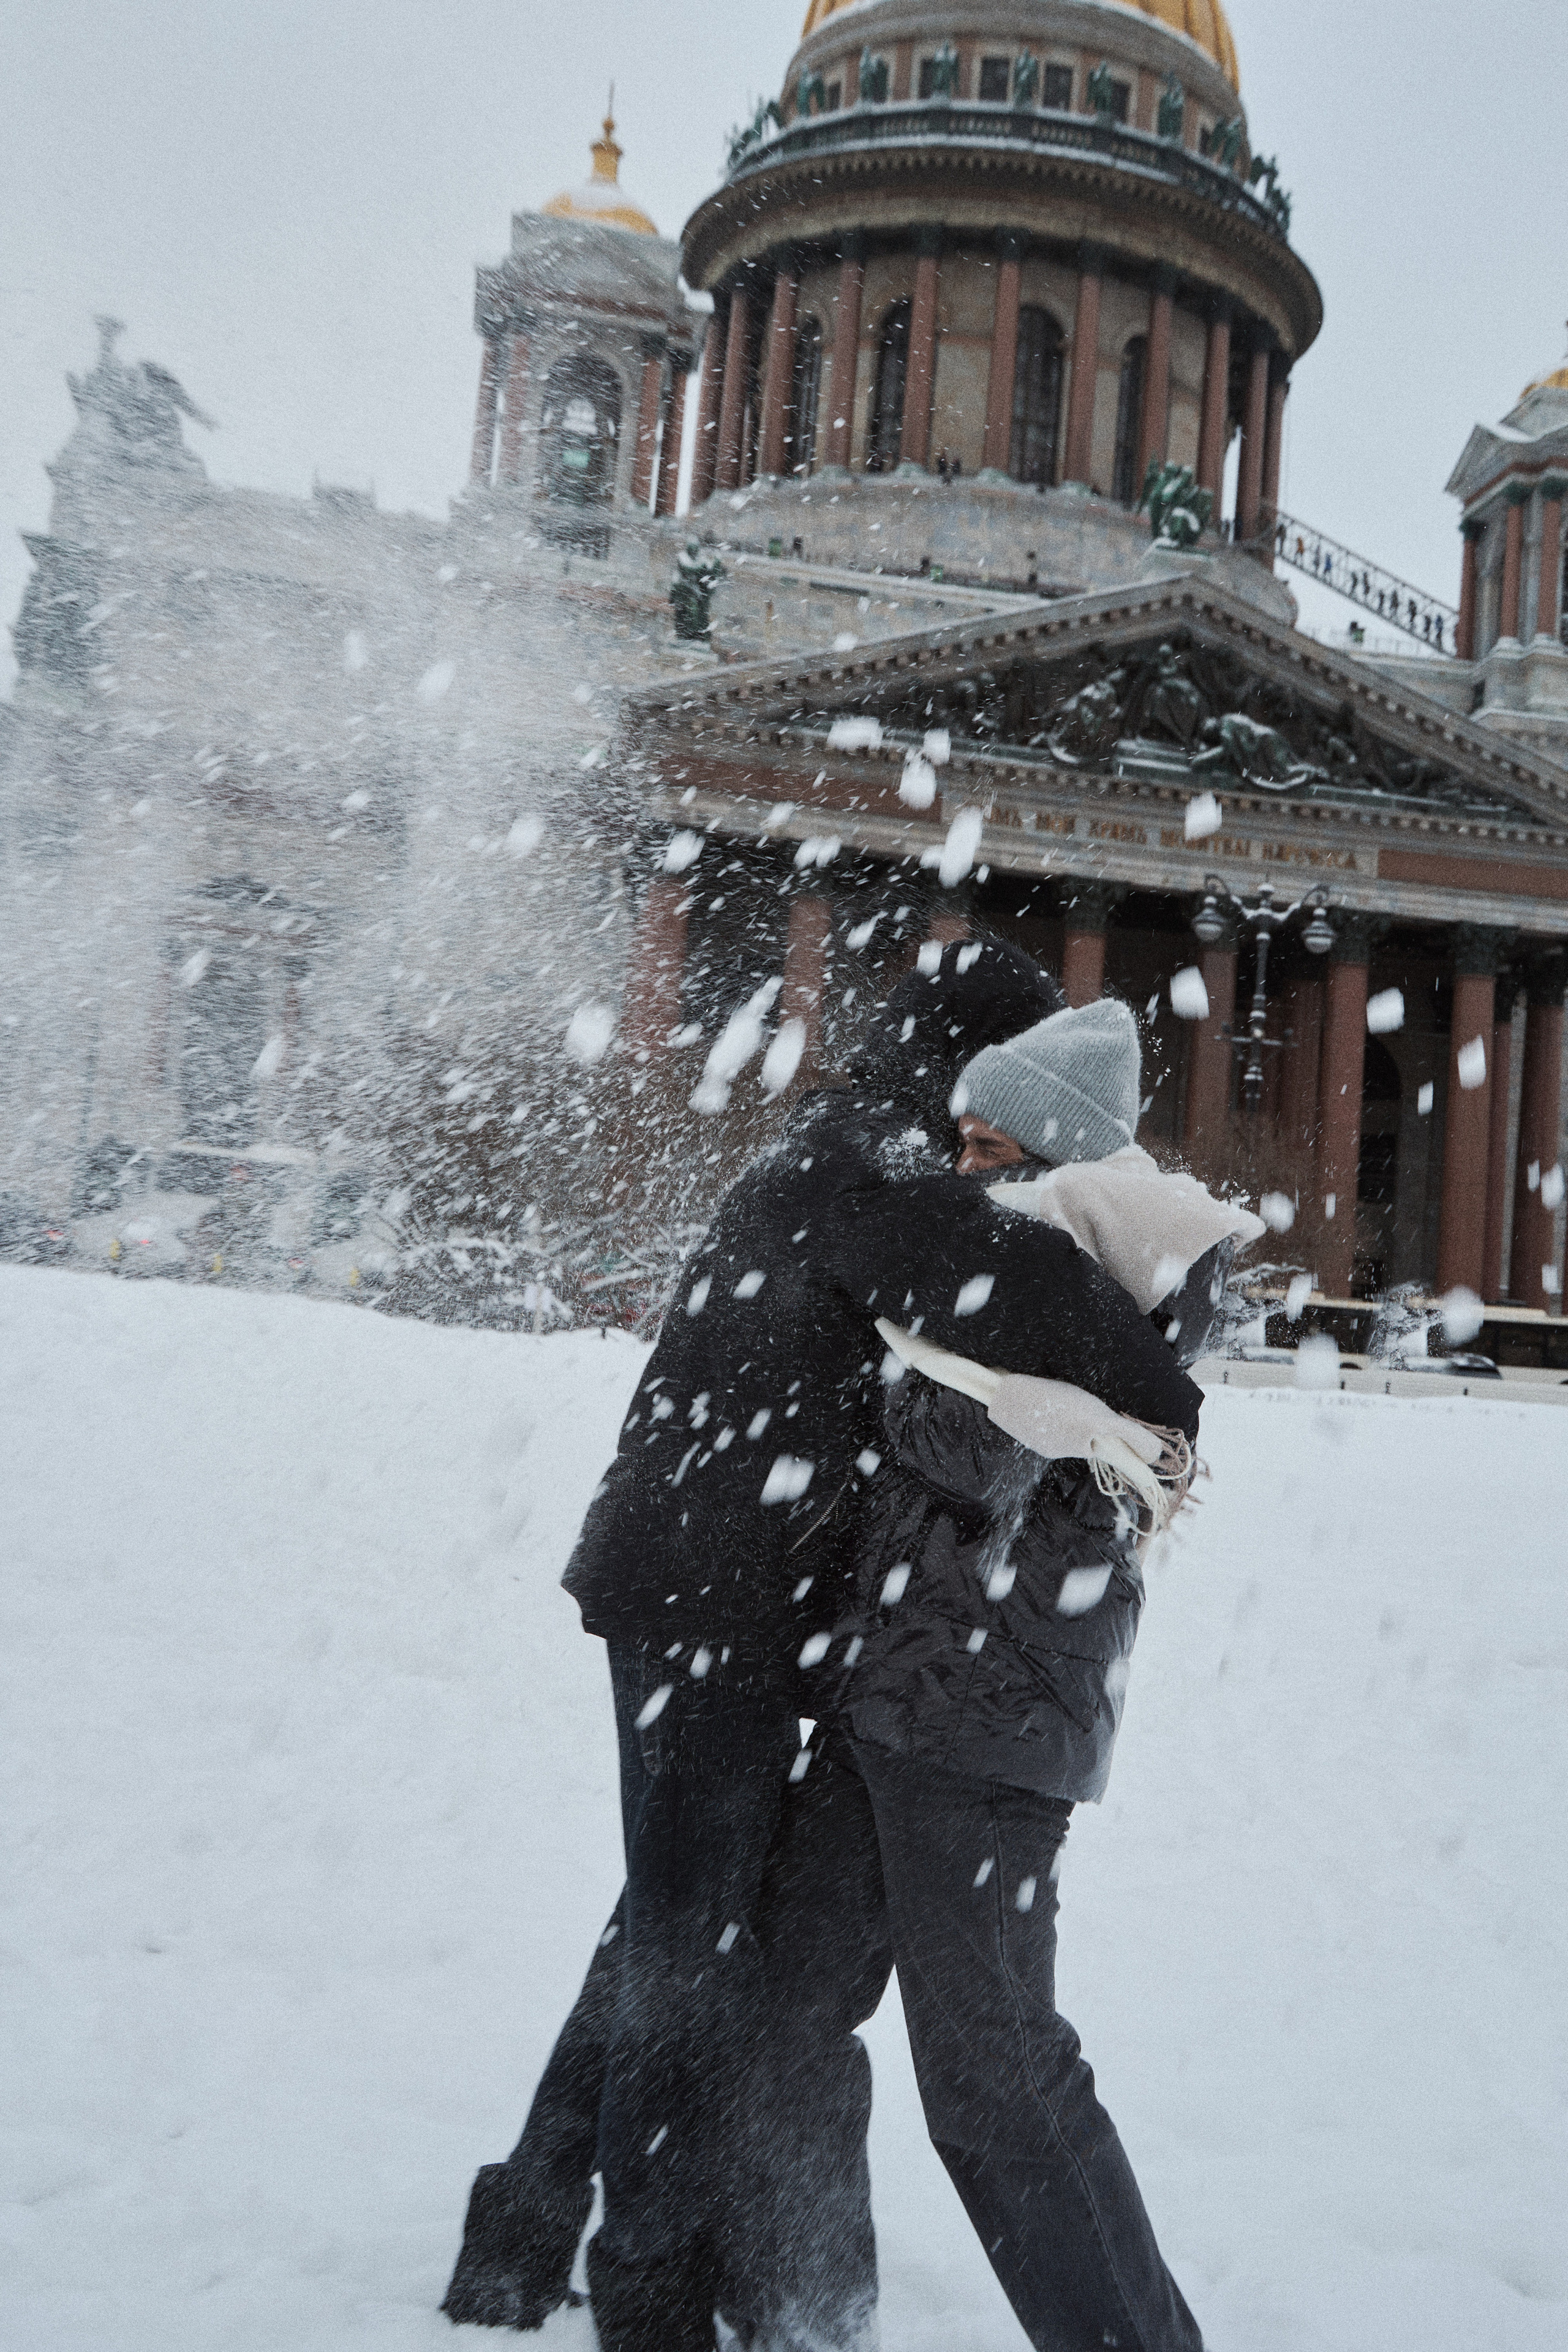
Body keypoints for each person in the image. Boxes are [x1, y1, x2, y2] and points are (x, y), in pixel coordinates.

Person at [441, 941, 1203, 2349]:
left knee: (678, 1926)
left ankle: (530, 2234)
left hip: (724, 1596)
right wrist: (1159, 1372)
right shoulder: (888, 1177)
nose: (988, 1140)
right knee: (690, 1940)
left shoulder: (861, 1150)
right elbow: (1046, 1323)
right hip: (721, 1602)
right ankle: (651, 2290)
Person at [717, 997, 1255, 2352]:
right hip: (905, 1696)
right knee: (790, 2007)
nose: (952, 1164)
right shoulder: (1025, 1245)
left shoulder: (1067, 1252)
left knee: (995, 2080)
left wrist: (890, 1380)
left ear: (1044, 1147)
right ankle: (806, 2319)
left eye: (977, 1140)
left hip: (978, 1722)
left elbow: (972, 1459)